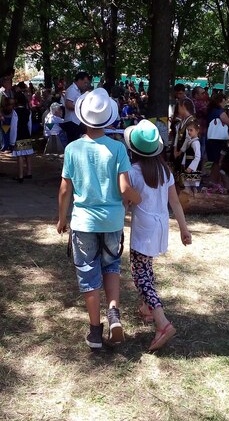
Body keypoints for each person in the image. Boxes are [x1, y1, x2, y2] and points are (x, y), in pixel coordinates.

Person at [56, 88, 141, 350]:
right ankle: (113, 312)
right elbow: (125, 188)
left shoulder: (72, 149)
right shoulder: (118, 148)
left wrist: (62, 219)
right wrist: (138, 200)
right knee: (111, 267)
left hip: (83, 222)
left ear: (83, 118)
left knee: (88, 273)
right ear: (109, 119)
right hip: (112, 221)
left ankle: (95, 331)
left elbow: (64, 189)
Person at [124, 120, 192, 351]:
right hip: (161, 227)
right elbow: (175, 202)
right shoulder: (165, 170)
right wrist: (184, 229)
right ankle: (147, 308)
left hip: (144, 228)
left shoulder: (133, 172)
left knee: (140, 273)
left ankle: (162, 322)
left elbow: (126, 203)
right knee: (147, 267)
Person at [206, 94, 229, 185]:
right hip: (219, 140)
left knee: (214, 161)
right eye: (224, 101)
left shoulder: (210, 111)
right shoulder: (220, 112)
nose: (225, 103)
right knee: (218, 161)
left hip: (210, 139)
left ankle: (213, 180)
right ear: (220, 101)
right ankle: (214, 181)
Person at [10, 91, 34, 182]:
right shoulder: (28, 111)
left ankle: (20, 175)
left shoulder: (15, 112)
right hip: (26, 134)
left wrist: (12, 140)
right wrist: (29, 134)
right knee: (28, 154)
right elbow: (30, 125)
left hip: (18, 135)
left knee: (19, 156)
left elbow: (14, 126)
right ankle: (29, 172)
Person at [62, 71, 90, 144]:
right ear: (79, 80)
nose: (86, 85)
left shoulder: (77, 90)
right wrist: (81, 108)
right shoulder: (72, 90)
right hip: (72, 122)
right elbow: (68, 104)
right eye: (85, 82)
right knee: (73, 144)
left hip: (76, 122)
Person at [179, 120, 202, 193]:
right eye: (188, 130)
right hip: (188, 164)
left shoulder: (195, 143)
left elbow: (198, 156)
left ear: (197, 131)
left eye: (191, 130)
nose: (189, 132)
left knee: (193, 185)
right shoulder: (191, 140)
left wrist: (191, 167)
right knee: (188, 184)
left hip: (192, 166)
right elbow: (184, 149)